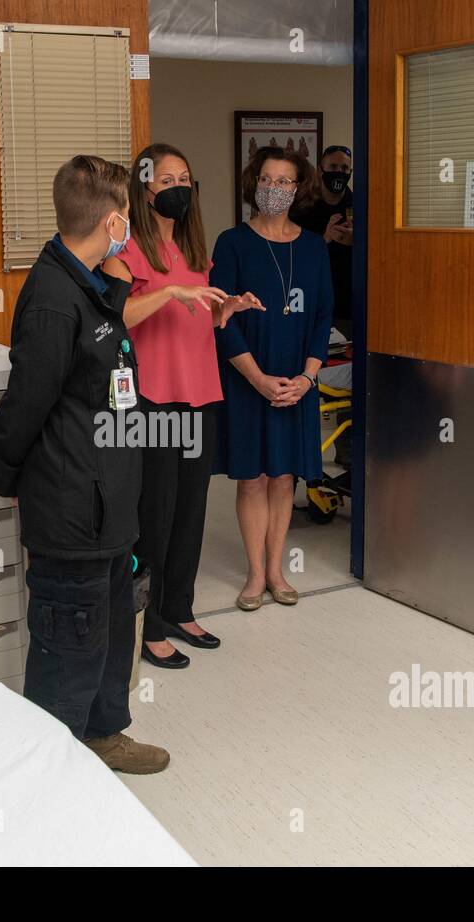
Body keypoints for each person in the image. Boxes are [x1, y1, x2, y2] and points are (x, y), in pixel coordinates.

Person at [0, 155, 169, 774]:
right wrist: (6, 475)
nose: (132, 232)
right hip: (71, 509)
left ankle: (104, 734)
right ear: (114, 221)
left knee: (115, 629)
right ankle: (50, 767)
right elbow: (26, 404)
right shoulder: (52, 299)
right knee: (71, 641)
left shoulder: (90, 285)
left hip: (109, 505)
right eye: (129, 221)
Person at [103, 143, 262, 669]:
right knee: (156, 515)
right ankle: (146, 628)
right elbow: (118, 318)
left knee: (191, 511)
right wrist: (169, 292)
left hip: (200, 395)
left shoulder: (195, 251)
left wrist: (226, 310)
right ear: (143, 188)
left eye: (185, 179)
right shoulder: (125, 250)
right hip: (153, 400)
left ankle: (179, 609)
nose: (178, 188)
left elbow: (198, 318)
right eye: (167, 178)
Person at [210, 146, 334, 611]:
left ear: (299, 188)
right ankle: (254, 574)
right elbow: (221, 319)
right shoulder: (232, 243)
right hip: (248, 377)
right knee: (254, 478)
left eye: (285, 181)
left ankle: (278, 570)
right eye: (267, 179)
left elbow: (322, 316)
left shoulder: (314, 246)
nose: (275, 189)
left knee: (284, 478)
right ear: (253, 183)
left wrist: (307, 378)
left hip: (298, 379)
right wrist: (259, 378)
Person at [291, 145, 354, 340]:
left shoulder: (359, 204)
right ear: (320, 170)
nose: (339, 173)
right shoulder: (301, 206)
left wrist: (356, 244)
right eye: (333, 167)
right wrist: (323, 240)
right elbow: (291, 253)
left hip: (348, 305)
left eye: (344, 169)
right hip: (309, 303)